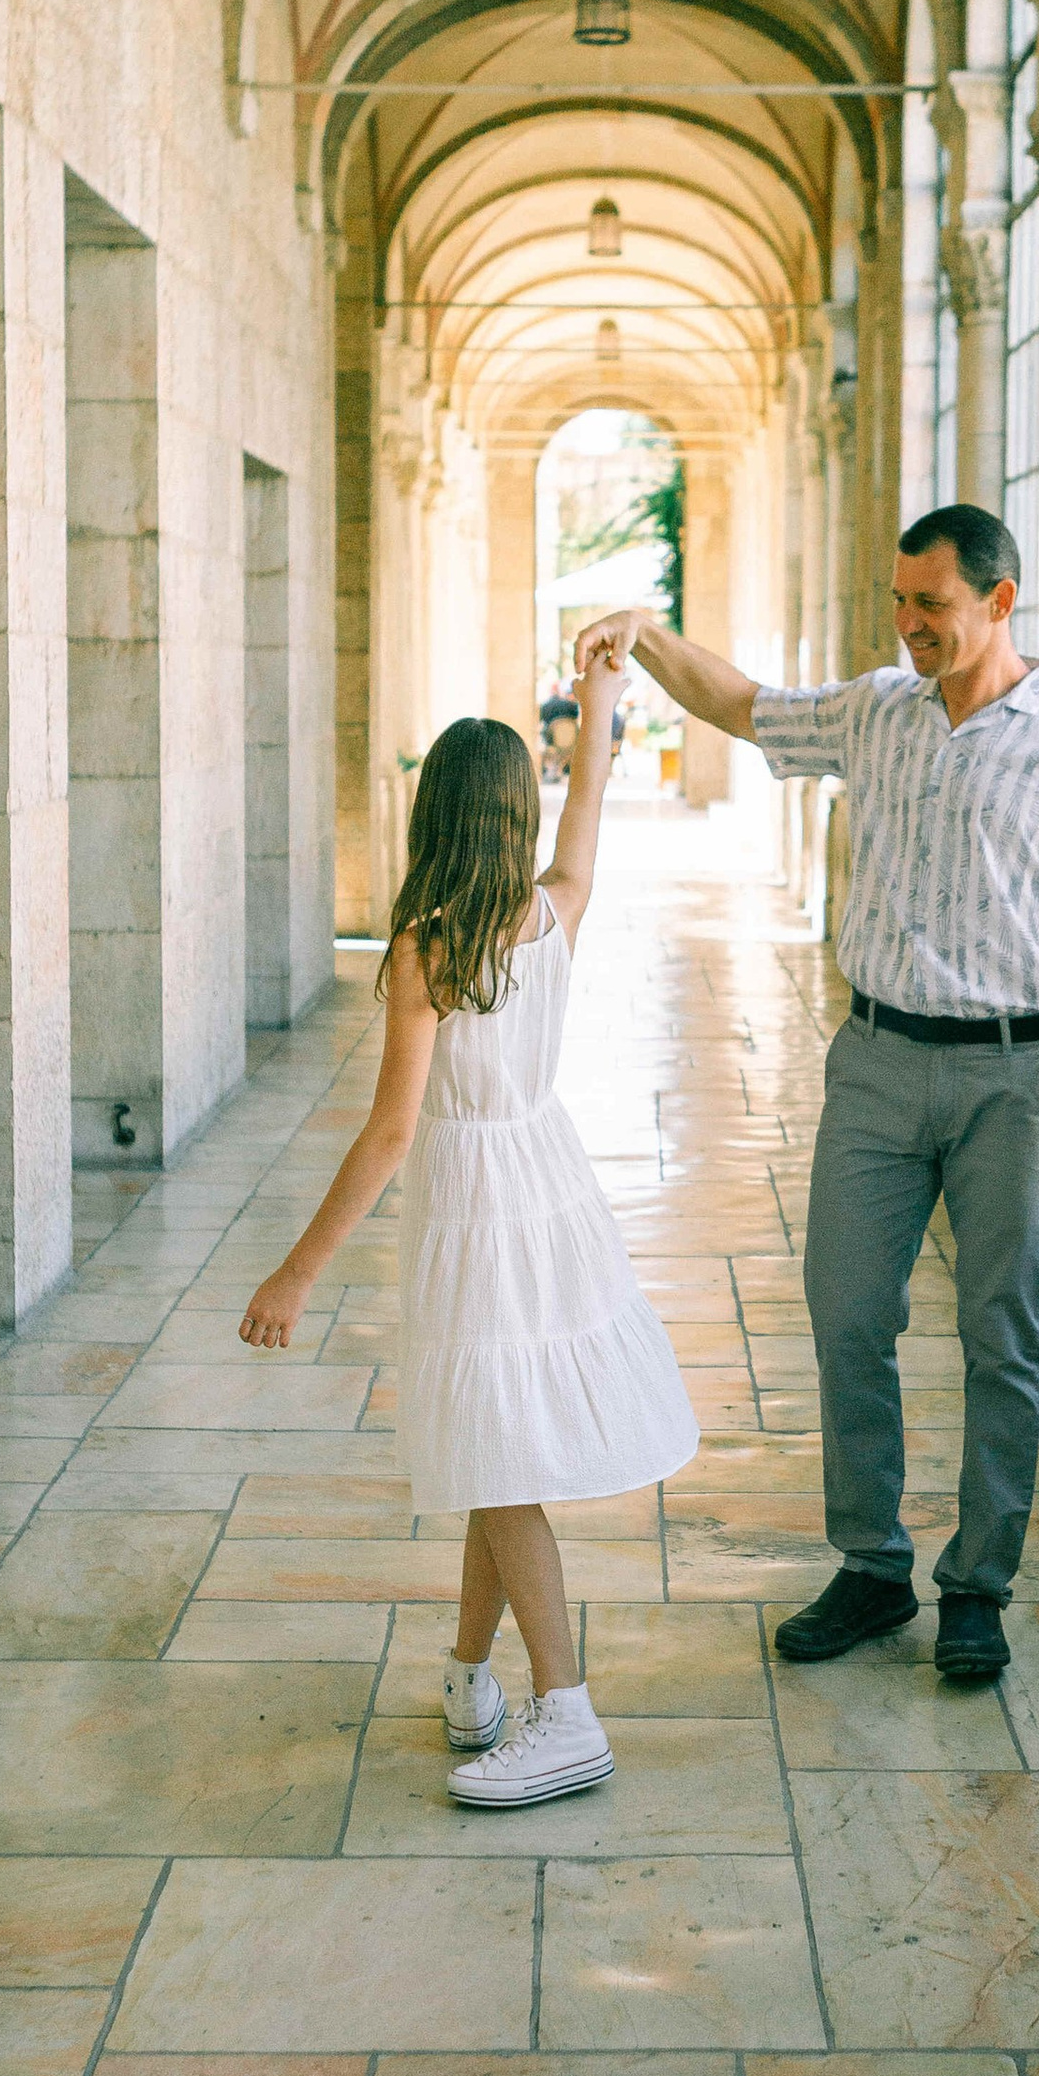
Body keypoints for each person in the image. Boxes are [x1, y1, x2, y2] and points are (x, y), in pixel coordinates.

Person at [575, 503, 1039, 1686]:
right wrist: (644, 634)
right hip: (875, 1062)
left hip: (1015, 1077)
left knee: (1003, 1337)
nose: (908, 623)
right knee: (849, 1314)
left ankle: (978, 1587)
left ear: (999, 602)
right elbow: (740, 704)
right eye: (899, 601)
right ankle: (870, 1564)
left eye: (931, 605)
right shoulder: (878, 711)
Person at [239, 652, 697, 1802]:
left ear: (431, 816)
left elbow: (391, 1132)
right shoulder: (551, 912)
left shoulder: (428, 948)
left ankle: (567, 1712)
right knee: (494, 1445)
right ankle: (467, 1674)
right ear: (513, 815)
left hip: (479, 1215)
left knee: (500, 1457)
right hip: (544, 1188)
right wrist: (600, 702)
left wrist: (296, 1272)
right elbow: (588, 814)